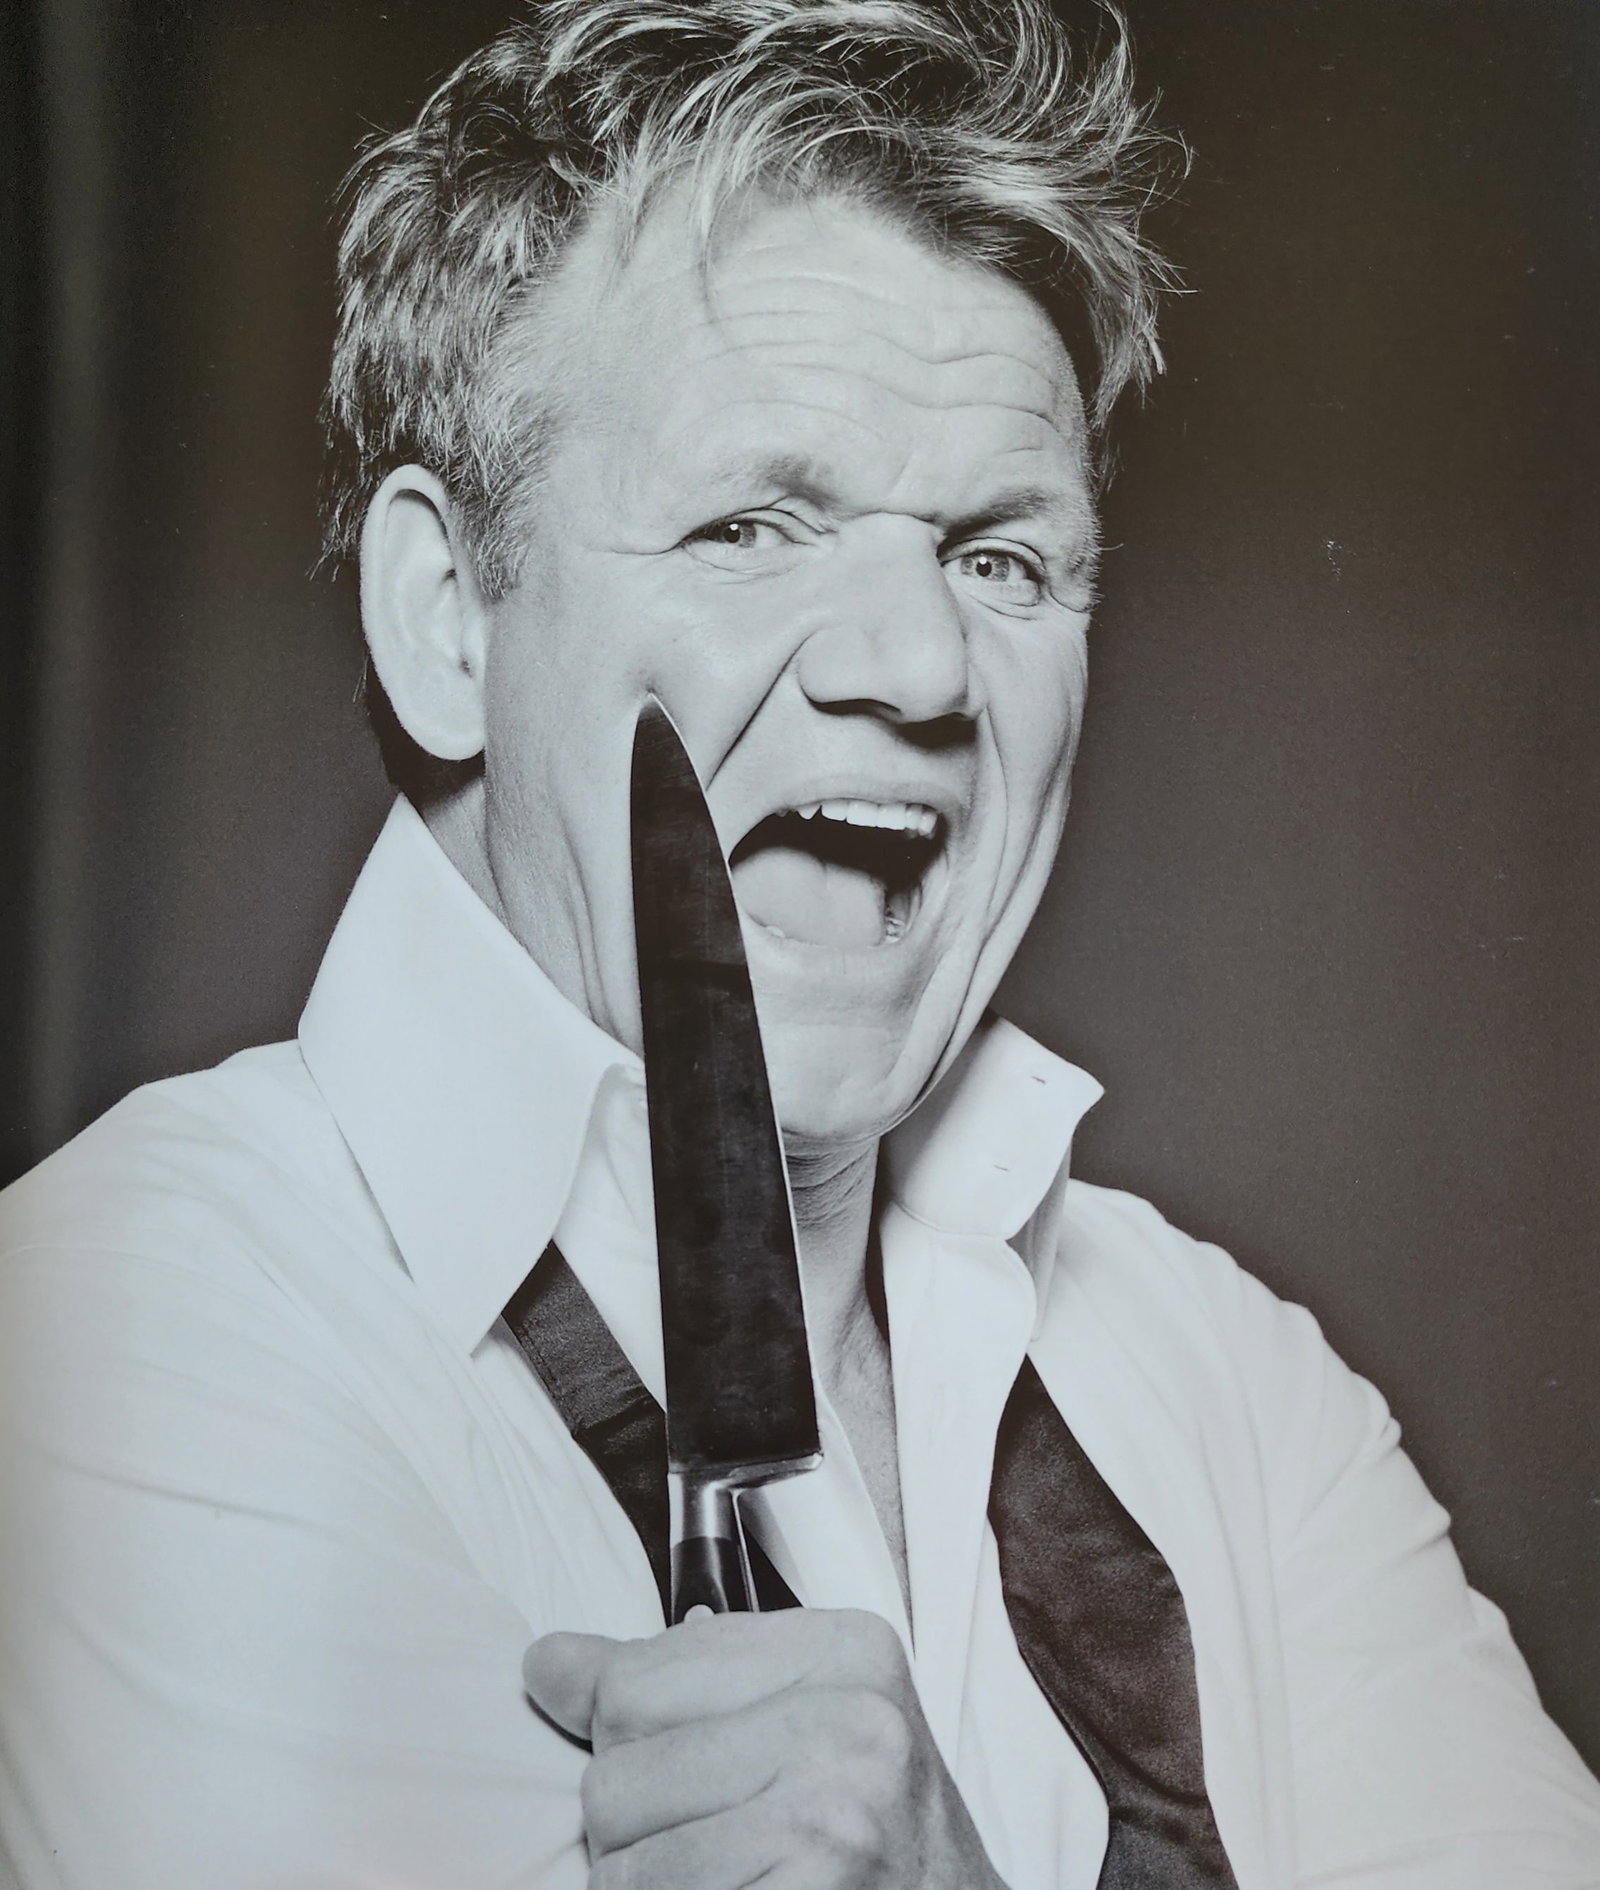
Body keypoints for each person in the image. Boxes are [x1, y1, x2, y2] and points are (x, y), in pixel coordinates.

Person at [1, 2, 1596, 1886]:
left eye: (1003, 560)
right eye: (754, 523)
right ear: (448, 620)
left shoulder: (1231, 1381)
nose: (918, 670)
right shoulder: (115, 1333)